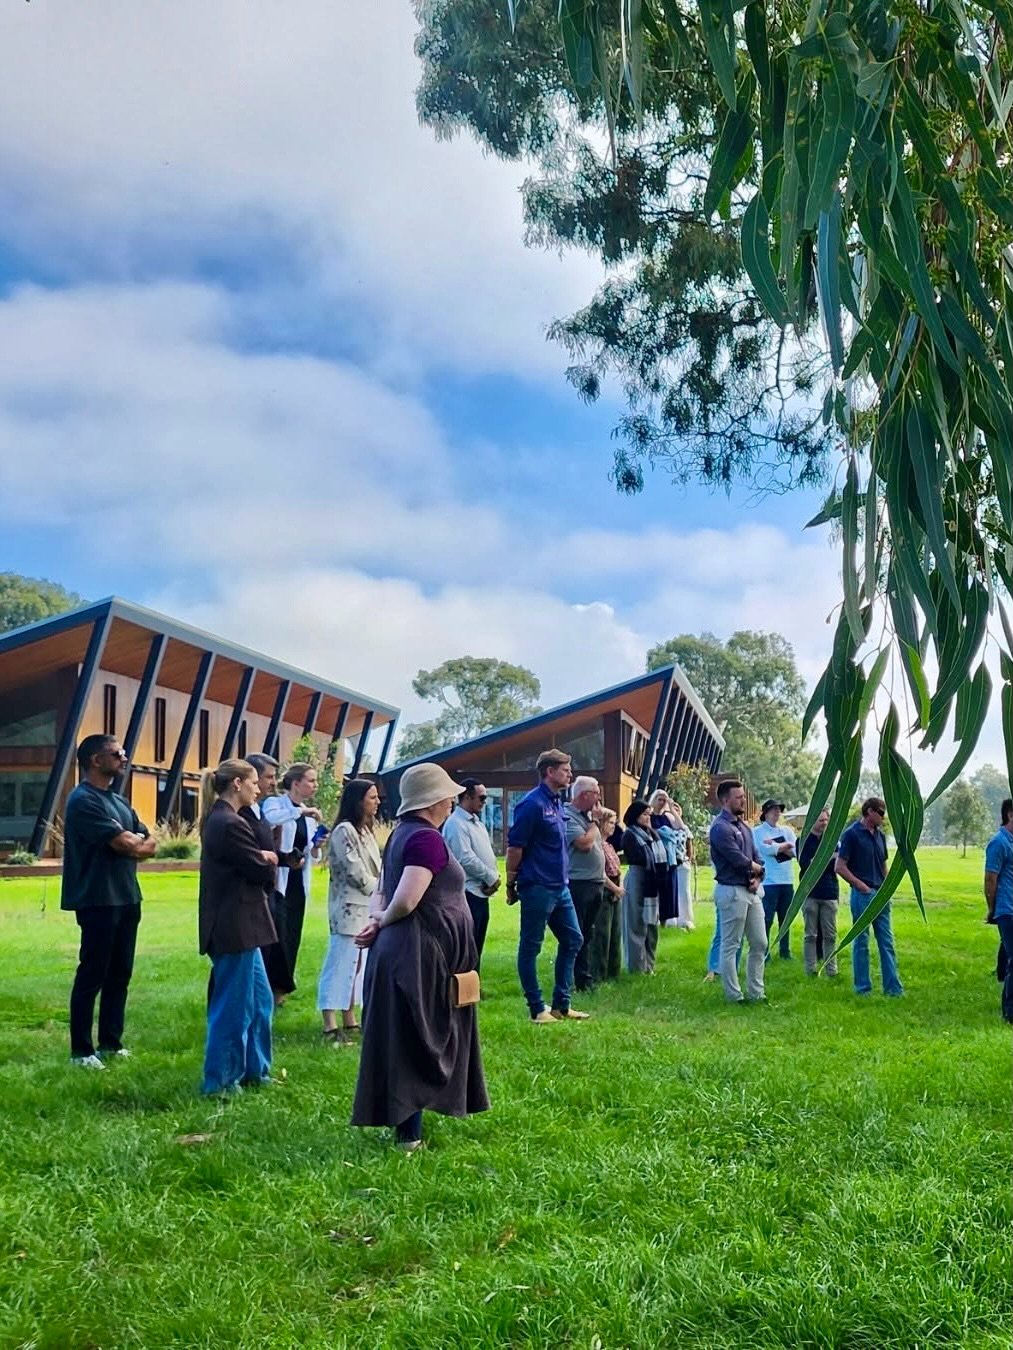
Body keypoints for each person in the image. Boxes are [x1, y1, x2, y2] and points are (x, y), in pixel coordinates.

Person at [351, 763, 490, 1150]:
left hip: (407, 950)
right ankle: (408, 1138)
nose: (452, 801)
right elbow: (408, 898)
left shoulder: (401, 835)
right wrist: (383, 918)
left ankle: (408, 1129)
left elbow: (384, 890)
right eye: (448, 795)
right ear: (432, 800)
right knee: (418, 1037)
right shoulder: (425, 840)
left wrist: (377, 921)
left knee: (409, 1034)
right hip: (418, 955)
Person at [62, 733, 157, 1068]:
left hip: (127, 896)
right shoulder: (82, 800)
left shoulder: (119, 802)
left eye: (124, 752)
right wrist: (132, 842)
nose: (124, 757)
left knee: (120, 973)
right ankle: (81, 1051)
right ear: (95, 760)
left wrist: (135, 842)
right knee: (93, 973)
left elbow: (149, 842)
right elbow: (124, 844)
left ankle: (111, 1043)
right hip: (97, 899)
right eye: (116, 753)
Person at [198, 758, 279, 1095]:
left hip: (245, 926)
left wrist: (263, 857)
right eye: (253, 782)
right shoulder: (228, 823)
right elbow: (258, 870)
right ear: (237, 784)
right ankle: (220, 1081)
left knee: (260, 1001)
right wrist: (269, 859)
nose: (258, 788)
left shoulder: (226, 820)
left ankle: (254, 1070)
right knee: (233, 1007)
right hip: (234, 927)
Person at [505, 749, 587, 1023]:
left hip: (560, 887)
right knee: (531, 946)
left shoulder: (557, 803)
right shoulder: (532, 804)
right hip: (538, 886)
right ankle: (537, 1008)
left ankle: (561, 1005)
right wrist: (511, 880)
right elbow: (516, 847)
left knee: (573, 939)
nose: (570, 774)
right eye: (565, 769)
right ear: (549, 772)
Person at [318, 779, 382, 1045]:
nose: (377, 802)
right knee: (341, 962)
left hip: (366, 906)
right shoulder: (344, 831)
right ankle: (329, 1022)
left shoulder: (366, 831)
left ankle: (350, 1015)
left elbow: (375, 866)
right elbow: (355, 870)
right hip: (348, 907)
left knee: (358, 965)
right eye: (372, 798)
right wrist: (381, 891)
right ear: (357, 801)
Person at [261, 762, 325, 993]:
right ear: (296, 783)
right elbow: (270, 820)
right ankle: (272, 985)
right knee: (278, 937)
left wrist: (316, 847)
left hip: (298, 885)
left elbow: (311, 856)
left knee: (292, 938)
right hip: (279, 884)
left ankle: (281, 989)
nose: (315, 785)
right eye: (311, 780)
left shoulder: (308, 817)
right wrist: (301, 811)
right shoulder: (275, 804)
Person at [835, 797, 903, 997]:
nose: (883, 817)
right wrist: (859, 885)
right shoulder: (852, 835)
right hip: (863, 894)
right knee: (861, 941)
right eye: (880, 812)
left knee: (887, 941)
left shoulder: (880, 836)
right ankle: (862, 988)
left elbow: (882, 864)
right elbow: (839, 866)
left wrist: (888, 885)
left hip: (881, 894)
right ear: (869, 812)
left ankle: (893, 989)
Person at [709, 779, 767, 1002]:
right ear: (725, 800)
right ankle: (734, 995)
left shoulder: (744, 827)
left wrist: (758, 879)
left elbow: (756, 856)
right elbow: (737, 859)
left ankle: (757, 992)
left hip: (751, 891)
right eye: (738, 797)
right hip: (732, 890)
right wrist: (757, 869)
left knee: (760, 942)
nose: (743, 800)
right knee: (731, 944)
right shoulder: (720, 828)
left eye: (743, 796)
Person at [443, 778, 500, 971]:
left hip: (481, 891)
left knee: (477, 944)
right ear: (466, 796)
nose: (484, 802)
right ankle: (463, 989)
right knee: (467, 945)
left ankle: (472, 986)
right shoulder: (456, 824)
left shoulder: (477, 823)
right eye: (481, 797)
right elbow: (465, 858)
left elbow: (486, 855)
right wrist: (491, 877)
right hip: (467, 893)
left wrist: (492, 877)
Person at [564, 775, 606, 992]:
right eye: (596, 792)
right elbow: (584, 844)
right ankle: (577, 979)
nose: (599, 797)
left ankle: (586, 976)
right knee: (577, 932)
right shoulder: (568, 816)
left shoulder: (586, 818)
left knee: (588, 932)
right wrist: (595, 823)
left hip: (595, 882)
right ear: (584, 795)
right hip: (579, 884)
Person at [621, 799, 667, 974]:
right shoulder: (630, 835)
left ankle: (650, 965)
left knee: (651, 924)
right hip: (638, 878)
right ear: (635, 815)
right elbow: (638, 857)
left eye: (649, 814)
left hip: (652, 882)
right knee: (636, 924)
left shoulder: (652, 834)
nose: (648, 818)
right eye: (644, 814)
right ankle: (637, 967)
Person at [798, 807, 840, 976]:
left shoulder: (831, 840)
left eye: (826, 820)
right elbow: (807, 864)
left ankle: (831, 970)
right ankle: (811, 969)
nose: (824, 823)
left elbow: (838, 862)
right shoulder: (803, 841)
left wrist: (822, 860)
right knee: (810, 935)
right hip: (810, 893)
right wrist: (828, 858)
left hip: (829, 892)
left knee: (830, 935)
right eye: (821, 820)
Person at [753, 799, 796, 959]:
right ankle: (764, 951)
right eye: (773, 810)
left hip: (786, 880)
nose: (777, 813)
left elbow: (796, 851)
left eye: (779, 810)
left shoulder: (787, 831)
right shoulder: (758, 832)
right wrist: (784, 847)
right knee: (767, 918)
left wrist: (779, 845)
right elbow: (766, 850)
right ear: (765, 812)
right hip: (769, 881)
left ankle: (785, 951)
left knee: (785, 919)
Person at [983, 798, 1013, 1023]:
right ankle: (1009, 1012)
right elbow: (990, 878)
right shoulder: (999, 842)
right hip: (1006, 909)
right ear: (1010, 814)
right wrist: (992, 908)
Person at [588, 807, 623, 984]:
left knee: (615, 933)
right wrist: (615, 889)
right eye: (610, 823)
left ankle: (613, 972)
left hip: (616, 889)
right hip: (605, 891)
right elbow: (600, 872)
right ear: (601, 823)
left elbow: (617, 868)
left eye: (614, 823)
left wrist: (620, 887)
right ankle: (598, 974)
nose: (613, 827)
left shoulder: (609, 845)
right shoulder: (597, 845)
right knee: (602, 934)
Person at [648, 789, 680, 926]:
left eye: (664, 800)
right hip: (657, 856)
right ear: (654, 800)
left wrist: (672, 809)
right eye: (659, 799)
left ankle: (665, 920)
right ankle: (655, 918)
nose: (661, 803)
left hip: (670, 857)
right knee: (658, 888)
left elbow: (680, 826)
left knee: (669, 889)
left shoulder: (667, 817)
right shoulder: (649, 816)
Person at [670, 799, 695, 930]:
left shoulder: (684, 828)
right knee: (671, 891)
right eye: (672, 810)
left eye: (677, 809)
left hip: (682, 863)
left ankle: (685, 919)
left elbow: (689, 844)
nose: (675, 812)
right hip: (669, 864)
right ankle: (671, 919)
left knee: (684, 892)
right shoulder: (666, 827)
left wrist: (689, 859)